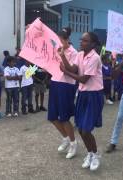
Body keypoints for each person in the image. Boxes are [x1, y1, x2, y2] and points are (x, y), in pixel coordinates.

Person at [60, 32, 104, 171]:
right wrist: (62, 57)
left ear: (93, 44)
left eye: (85, 40)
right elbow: (73, 68)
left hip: (94, 95)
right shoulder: (80, 54)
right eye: (81, 40)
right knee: (80, 129)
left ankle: (96, 155)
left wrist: (66, 73)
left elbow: (84, 79)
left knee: (85, 130)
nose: (81, 42)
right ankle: (90, 154)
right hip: (83, 95)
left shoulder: (95, 58)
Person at [47, 27, 77, 160]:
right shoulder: (55, 49)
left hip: (66, 85)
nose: (58, 42)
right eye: (57, 40)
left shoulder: (73, 52)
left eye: (61, 40)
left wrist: (62, 54)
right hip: (55, 82)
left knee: (64, 117)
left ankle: (73, 143)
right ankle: (65, 138)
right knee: (52, 116)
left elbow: (71, 70)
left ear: (67, 39)